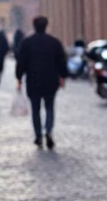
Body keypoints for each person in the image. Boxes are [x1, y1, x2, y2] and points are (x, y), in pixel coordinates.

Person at [15, 16, 68, 150]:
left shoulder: (27, 43)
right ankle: (48, 131)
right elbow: (61, 60)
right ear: (46, 26)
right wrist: (63, 76)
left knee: (35, 109)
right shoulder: (54, 42)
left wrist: (19, 78)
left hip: (33, 81)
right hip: (51, 80)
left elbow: (21, 61)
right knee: (50, 107)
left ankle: (38, 135)